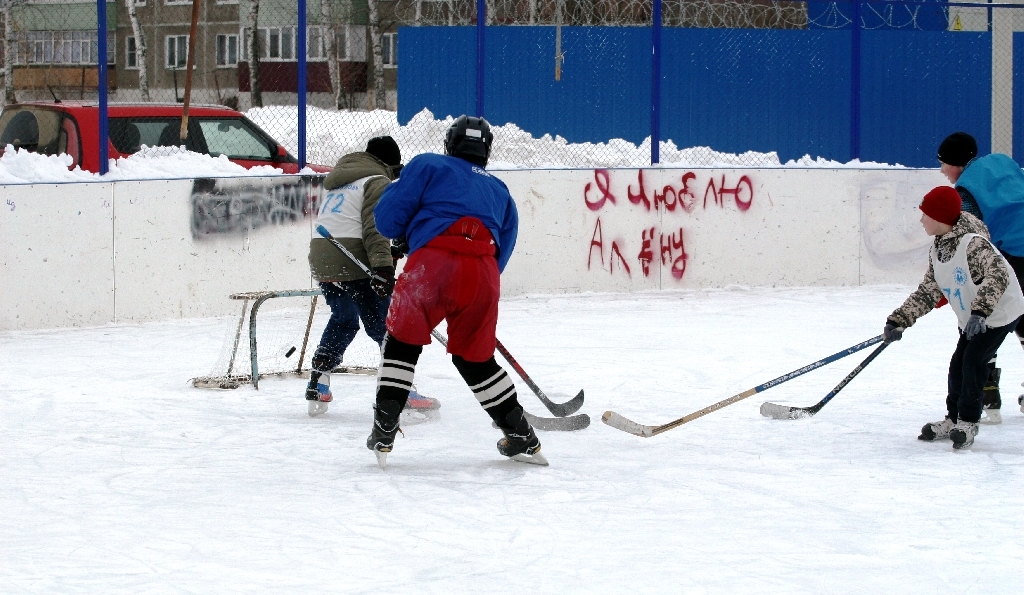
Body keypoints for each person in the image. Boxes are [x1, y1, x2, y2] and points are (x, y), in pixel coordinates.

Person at [365, 114, 546, 468]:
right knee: (476, 359)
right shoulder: (499, 190)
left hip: (431, 266)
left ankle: (385, 428)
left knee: (402, 342)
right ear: (486, 150)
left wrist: (411, 235)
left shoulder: (428, 165)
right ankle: (522, 435)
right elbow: (501, 253)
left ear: (450, 144)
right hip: (482, 274)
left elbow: (386, 220)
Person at [305, 136, 439, 417]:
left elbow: (346, 221)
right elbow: (373, 228)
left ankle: (319, 381)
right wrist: (382, 269)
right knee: (387, 326)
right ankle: (402, 390)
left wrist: (385, 255)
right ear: (388, 164)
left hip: (322, 254)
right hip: (352, 259)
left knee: (343, 319)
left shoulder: (341, 177)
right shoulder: (376, 180)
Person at [883, 186, 1024, 450]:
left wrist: (981, 311)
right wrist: (899, 320)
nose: (921, 220)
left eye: (925, 214)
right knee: (958, 364)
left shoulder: (974, 244)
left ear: (939, 218)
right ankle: (953, 419)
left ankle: (968, 423)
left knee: (973, 361)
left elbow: (999, 275)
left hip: (999, 313)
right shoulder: (939, 248)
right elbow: (929, 291)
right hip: (972, 316)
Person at [937, 132, 1024, 420]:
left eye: (943, 163)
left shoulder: (965, 191)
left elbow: (971, 239)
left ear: (955, 163)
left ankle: (987, 392)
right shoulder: (1003, 162)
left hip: (1011, 255)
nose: (941, 171)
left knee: (986, 319)